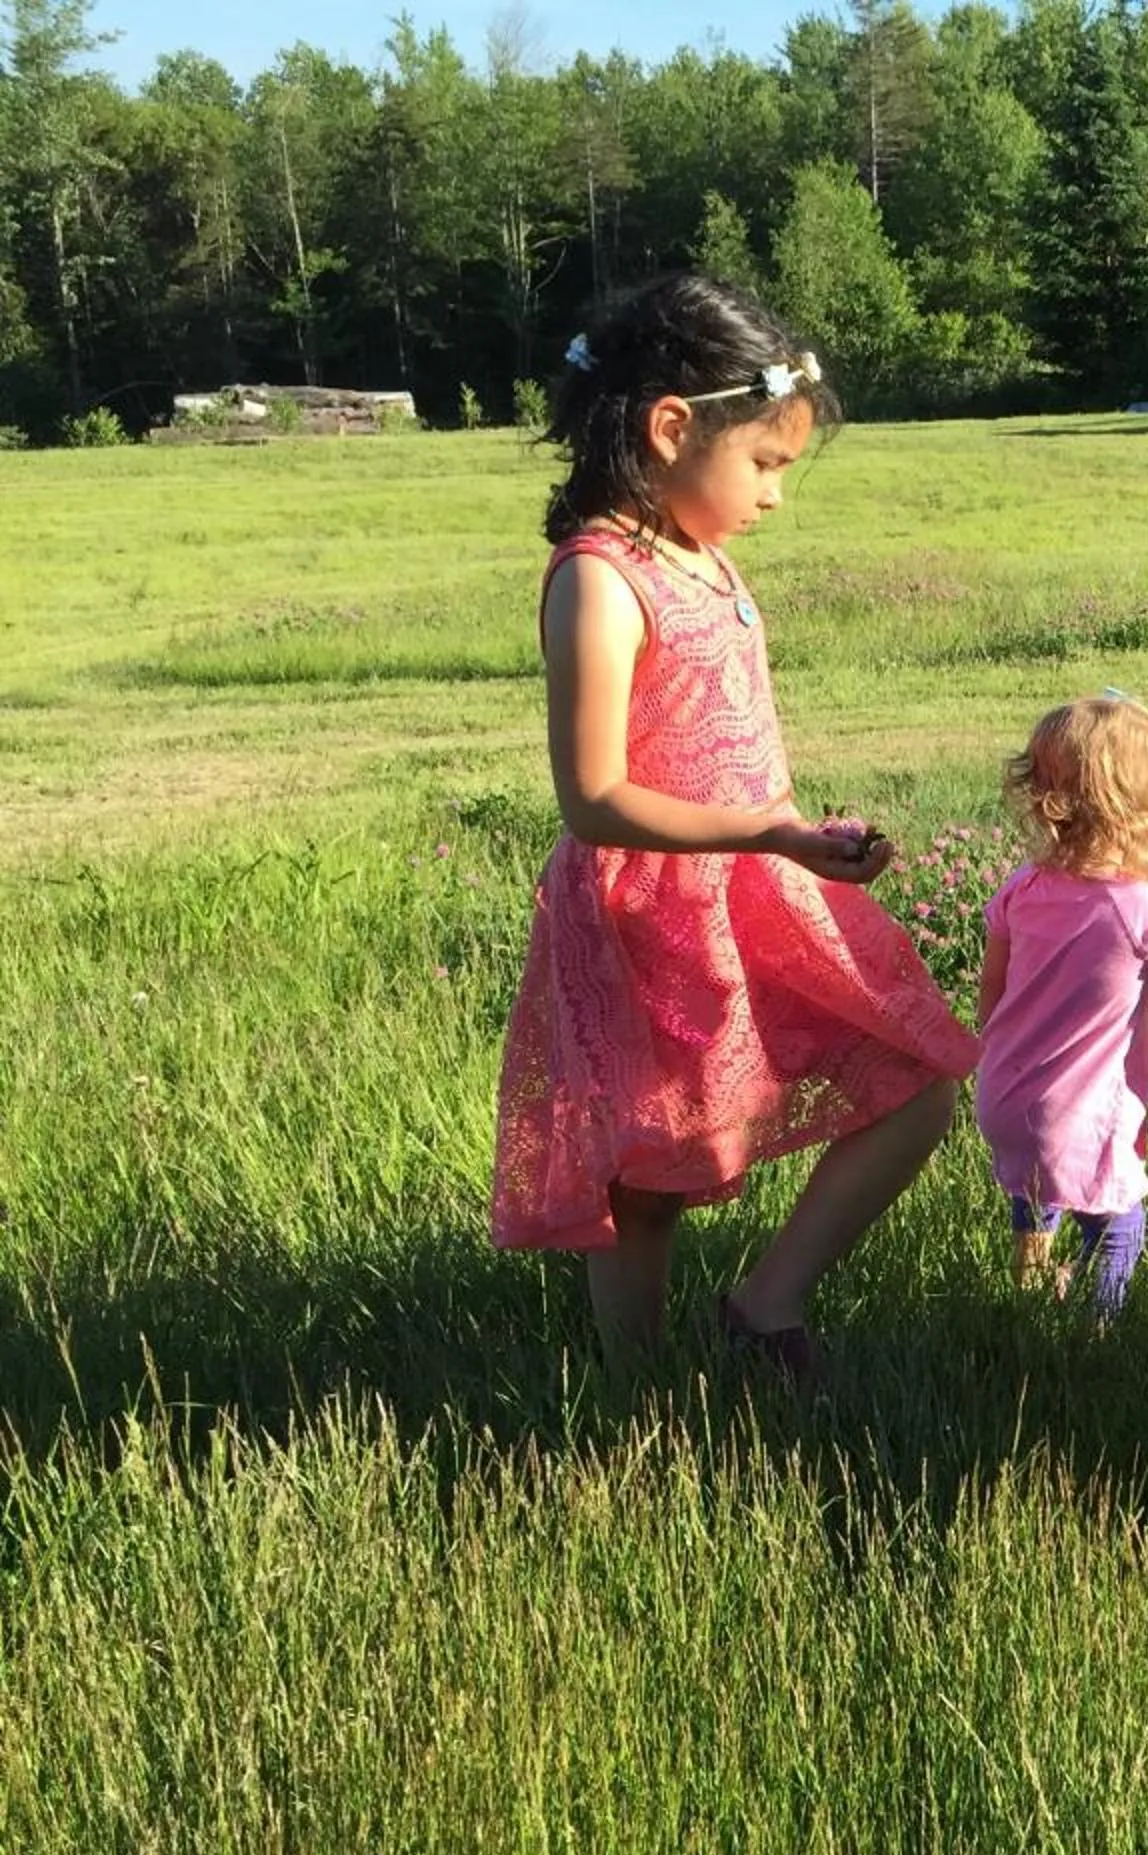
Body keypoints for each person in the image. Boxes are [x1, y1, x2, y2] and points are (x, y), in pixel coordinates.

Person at [490, 273, 977, 1381]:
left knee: (917, 1075)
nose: (776, 494)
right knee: (654, 1175)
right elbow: (594, 798)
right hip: (649, 916)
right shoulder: (601, 583)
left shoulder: (701, 555)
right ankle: (638, 1390)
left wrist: (802, 839)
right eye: (764, 463)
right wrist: (763, 834)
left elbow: (730, 736)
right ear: (672, 430)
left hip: (763, 885)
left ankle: (766, 1306)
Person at [975, 693, 1148, 1322]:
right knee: (1115, 1224)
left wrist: (996, 1059)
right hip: (1088, 1111)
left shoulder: (1020, 890)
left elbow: (992, 994)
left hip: (1006, 1098)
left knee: (1037, 1196)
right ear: (1142, 814)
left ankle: (1030, 1301)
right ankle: (1096, 1331)